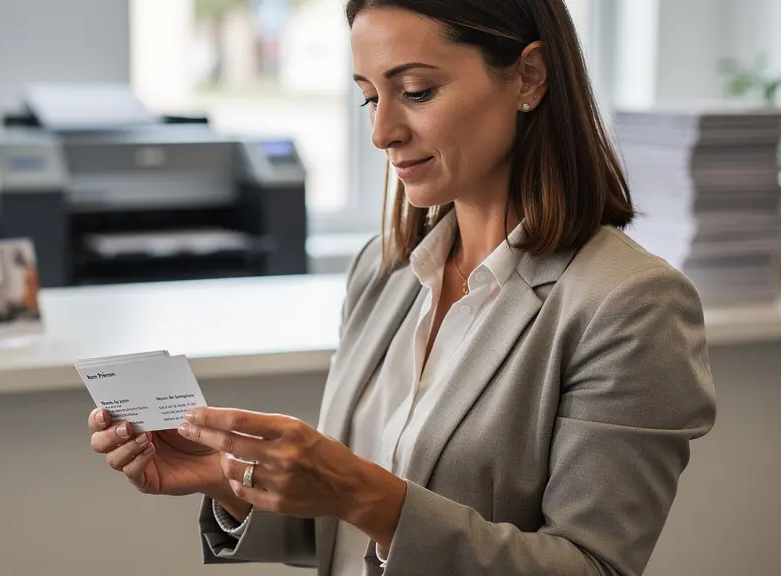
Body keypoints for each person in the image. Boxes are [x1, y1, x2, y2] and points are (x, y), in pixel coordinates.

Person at [88, 1, 717, 574]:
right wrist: (230, 478)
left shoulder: (630, 305)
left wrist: (360, 490)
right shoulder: (384, 271)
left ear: (528, 76)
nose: (381, 131)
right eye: (368, 98)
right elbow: (352, 535)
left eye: (416, 91)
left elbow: (592, 567)